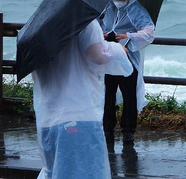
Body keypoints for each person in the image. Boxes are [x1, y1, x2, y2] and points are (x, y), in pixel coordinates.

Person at [32, 19, 133, 178]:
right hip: (79, 117)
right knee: (88, 172)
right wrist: (118, 49)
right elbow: (98, 56)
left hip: (48, 119)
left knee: (53, 172)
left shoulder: (42, 24)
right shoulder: (85, 22)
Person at [101, 0, 155, 150]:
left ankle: (128, 131)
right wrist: (99, 32)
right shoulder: (107, 6)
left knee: (129, 96)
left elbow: (149, 32)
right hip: (109, 56)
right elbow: (94, 21)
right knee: (107, 94)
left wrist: (128, 35)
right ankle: (107, 128)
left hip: (128, 58)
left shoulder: (136, 9)